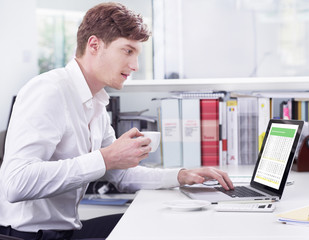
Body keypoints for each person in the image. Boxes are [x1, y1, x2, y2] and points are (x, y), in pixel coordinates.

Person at [0, 2, 234, 240]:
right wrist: (105, 158)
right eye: (127, 51)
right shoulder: (49, 91)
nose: (135, 66)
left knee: (158, 221)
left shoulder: (97, 103)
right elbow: (16, 183)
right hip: (27, 236)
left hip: (66, 231)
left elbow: (122, 175)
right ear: (94, 45)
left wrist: (181, 175)